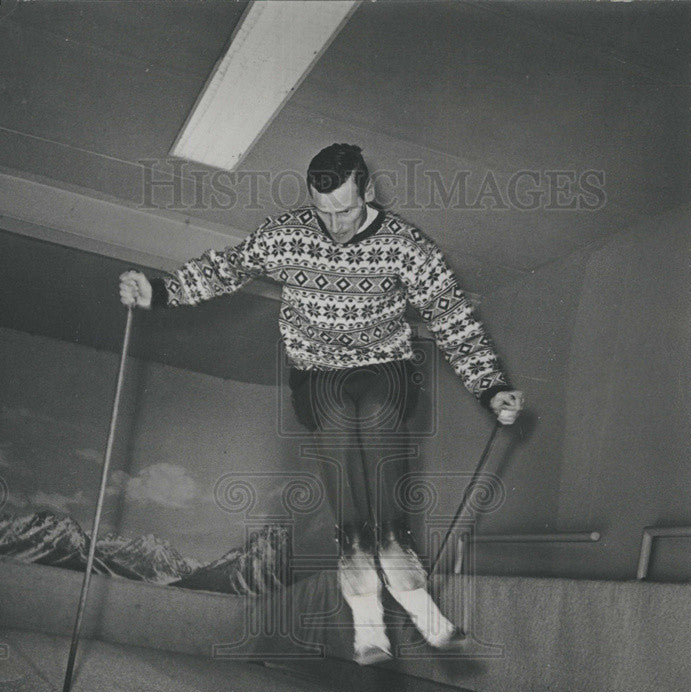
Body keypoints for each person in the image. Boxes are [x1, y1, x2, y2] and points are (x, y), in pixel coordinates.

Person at [120, 144, 523, 665]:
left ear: (368, 193)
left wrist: (491, 388)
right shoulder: (287, 234)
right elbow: (227, 267)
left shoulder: (407, 246)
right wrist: (159, 289)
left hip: (386, 368)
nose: (334, 225)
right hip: (317, 372)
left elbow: (452, 319)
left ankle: (417, 602)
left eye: (346, 210)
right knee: (343, 467)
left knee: (378, 426)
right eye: (324, 211)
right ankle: (367, 616)